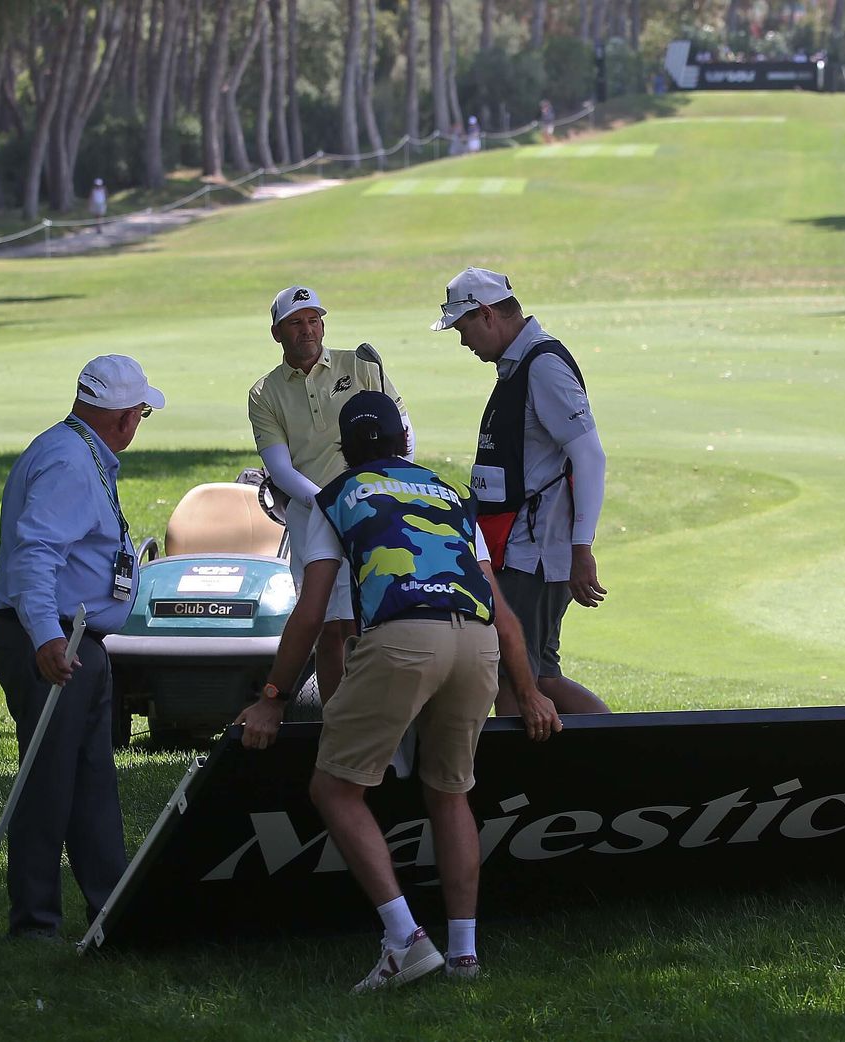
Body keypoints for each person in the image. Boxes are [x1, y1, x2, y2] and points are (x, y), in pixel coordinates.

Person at [235, 391, 560, 991]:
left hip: (405, 637)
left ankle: (404, 938)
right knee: (450, 792)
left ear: (345, 450)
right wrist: (530, 690)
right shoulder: (449, 496)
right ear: (403, 444)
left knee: (334, 788)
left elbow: (312, 614)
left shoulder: (335, 497)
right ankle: (465, 954)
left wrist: (274, 694)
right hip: (479, 644)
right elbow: (502, 610)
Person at [0, 355, 164, 939]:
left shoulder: (79, 450)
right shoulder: (69, 461)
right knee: (49, 779)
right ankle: (35, 922)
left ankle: (110, 911)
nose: (140, 422)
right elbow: (34, 555)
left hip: (78, 636)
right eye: (141, 412)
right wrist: (46, 637)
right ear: (124, 418)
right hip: (55, 638)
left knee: (91, 781)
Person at [431, 267, 611, 717]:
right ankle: (611, 746)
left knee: (515, 675)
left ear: (487, 314)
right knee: (532, 674)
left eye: (464, 327)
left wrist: (581, 547)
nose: (463, 341)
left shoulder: (542, 366)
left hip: (532, 553)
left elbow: (590, 456)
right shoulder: (520, 365)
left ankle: (603, 749)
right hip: (519, 549)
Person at [249, 286, 411, 702]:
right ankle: (337, 718)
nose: (308, 330)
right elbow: (280, 468)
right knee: (325, 624)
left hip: (371, 508)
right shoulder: (264, 393)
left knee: (366, 618)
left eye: (314, 320)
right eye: (296, 323)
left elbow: (402, 431)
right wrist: (327, 501)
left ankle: (376, 710)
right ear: (277, 333)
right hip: (313, 514)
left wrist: (383, 488)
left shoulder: (359, 364)